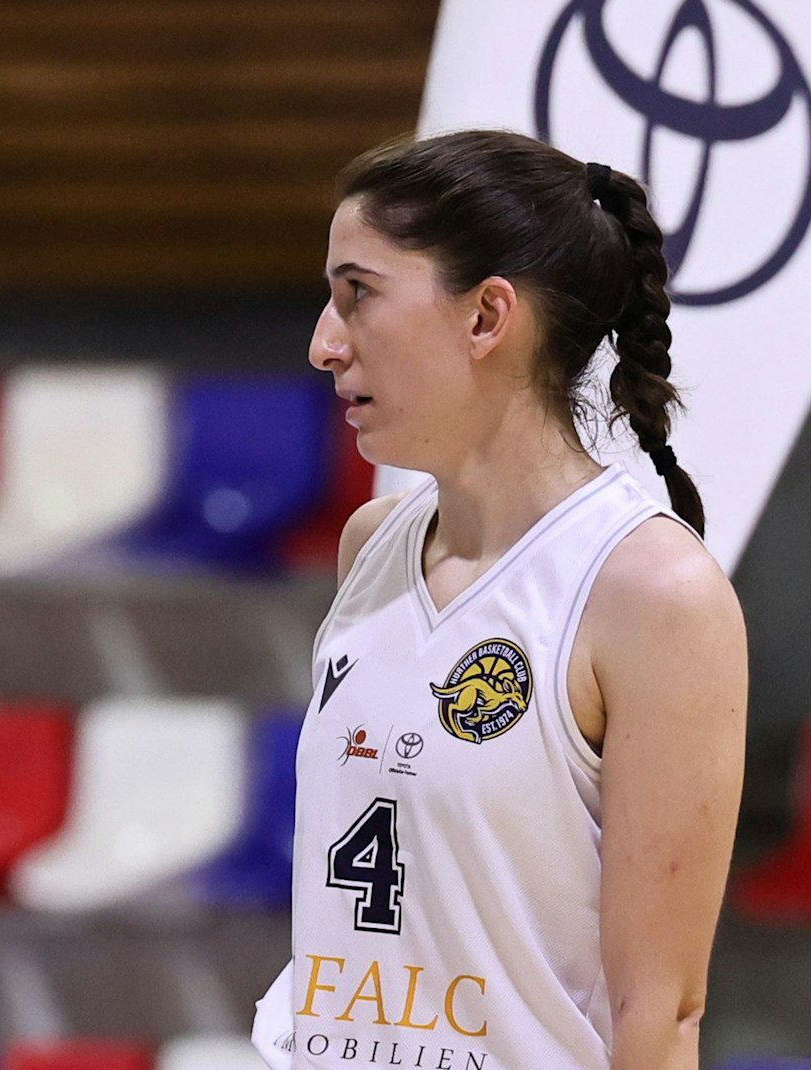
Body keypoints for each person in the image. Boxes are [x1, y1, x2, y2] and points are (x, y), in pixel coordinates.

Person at [252, 130, 746, 1070]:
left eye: (358, 294)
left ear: (486, 316)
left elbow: (661, 1012)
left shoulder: (652, 593)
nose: (323, 344)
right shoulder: (372, 544)